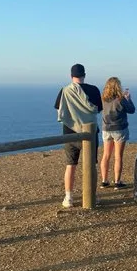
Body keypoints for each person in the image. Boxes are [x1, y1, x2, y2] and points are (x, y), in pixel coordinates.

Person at [54, 64, 102, 208]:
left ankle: (68, 197)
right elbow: (98, 109)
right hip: (90, 133)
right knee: (91, 166)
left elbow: (59, 109)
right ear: (84, 75)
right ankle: (92, 196)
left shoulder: (65, 91)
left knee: (70, 165)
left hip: (70, 133)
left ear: (71, 76)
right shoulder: (94, 90)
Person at [100, 77, 135, 189]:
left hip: (106, 128)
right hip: (119, 129)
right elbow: (132, 110)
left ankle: (104, 181)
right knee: (118, 156)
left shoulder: (103, 98)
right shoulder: (121, 99)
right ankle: (117, 181)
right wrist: (128, 99)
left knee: (106, 155)